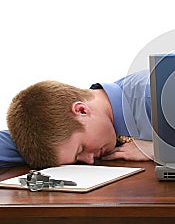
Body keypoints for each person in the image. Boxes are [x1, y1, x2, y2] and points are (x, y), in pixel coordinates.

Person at [5, 70, 154, 169]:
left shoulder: (155, 95)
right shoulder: (64, 130)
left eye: (81, 149)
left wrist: (159, 151)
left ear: (81, 110)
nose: (89, 160)